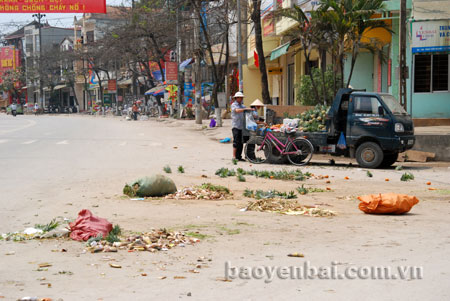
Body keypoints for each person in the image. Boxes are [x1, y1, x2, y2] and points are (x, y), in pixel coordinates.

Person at [231, 91, 253, 161]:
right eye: (240, 98)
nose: (241, 99)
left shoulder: (242, 106)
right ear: (236, 98)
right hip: (236, 126)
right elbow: (237, 110)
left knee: (241, 142)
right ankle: (234, 156)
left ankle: (239, 156)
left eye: (241, 98)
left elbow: (246, 110)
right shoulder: (234, 105)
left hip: (242, 127)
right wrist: (246, 109)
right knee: (236, 141)